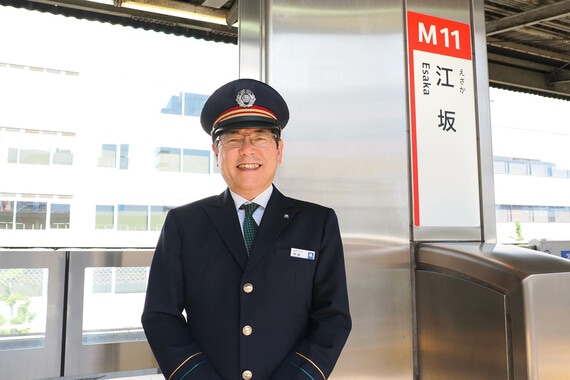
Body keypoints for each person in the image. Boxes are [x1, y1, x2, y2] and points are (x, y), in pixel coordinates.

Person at [141, 78, 351, 380]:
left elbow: (333, 318)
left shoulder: (317, 223)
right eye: (233, 139)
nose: (247, 150)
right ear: (216, 153)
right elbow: (161, 316)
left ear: (279, 151)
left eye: (260, 138)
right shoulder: (184, 224)